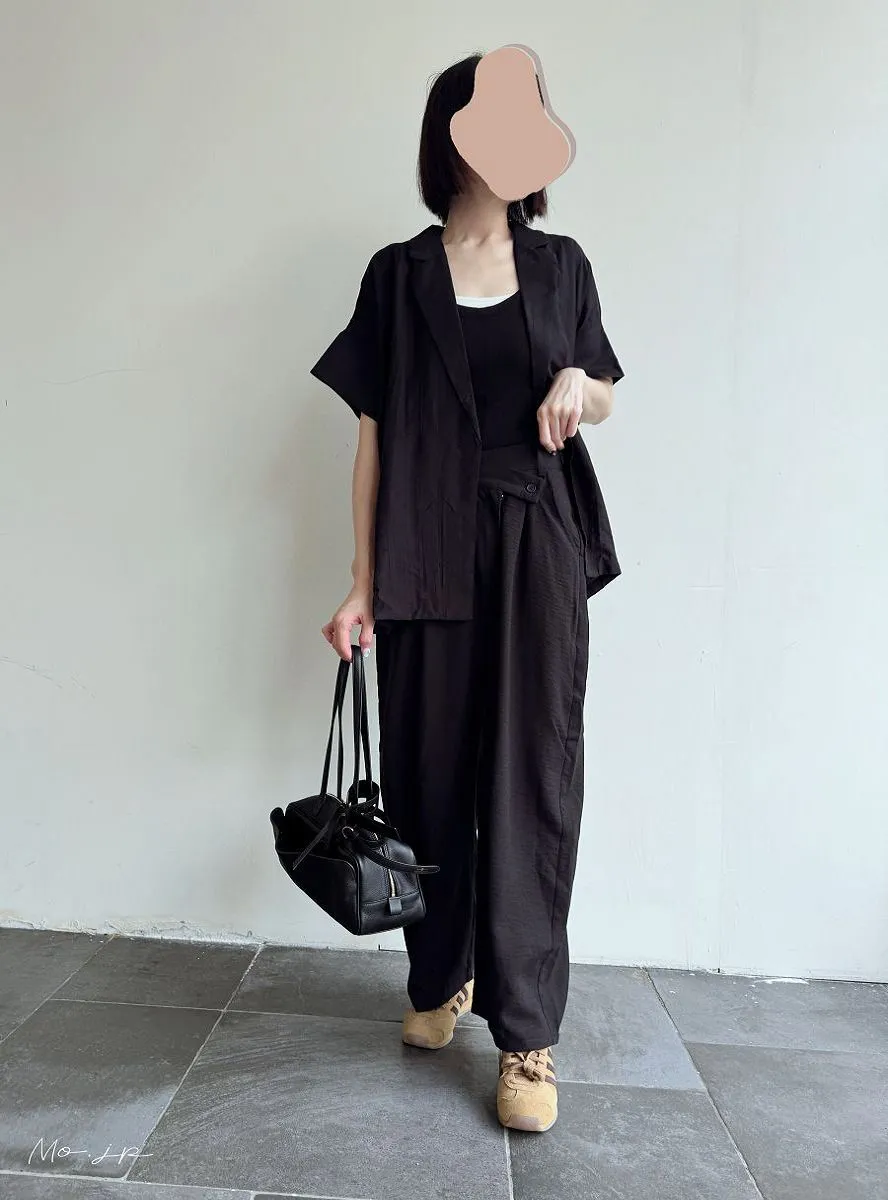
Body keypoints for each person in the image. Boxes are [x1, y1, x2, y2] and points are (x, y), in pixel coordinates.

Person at [312, 52, 624, 1134]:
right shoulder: (398, 275)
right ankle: (440, 975)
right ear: (448, 139)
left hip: (536, 541)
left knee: (532, 778)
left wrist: (580, 385)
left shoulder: (562, 265)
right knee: (429, 773)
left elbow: (605, 390)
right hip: (425, 543)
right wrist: (361, 581)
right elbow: (373, 439)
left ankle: (528, 1036)